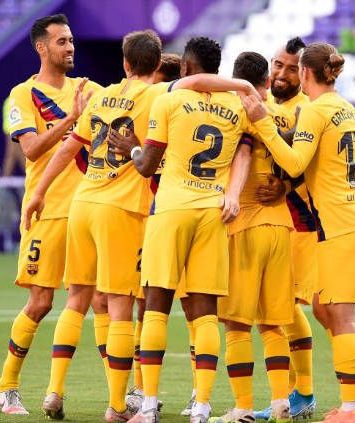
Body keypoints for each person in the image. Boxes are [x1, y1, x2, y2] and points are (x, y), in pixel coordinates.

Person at [24, 32, 262, 421]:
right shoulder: (186, 99)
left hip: (93, 203)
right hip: (168, 210)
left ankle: (69, 392)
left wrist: (38, 191)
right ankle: (161, 404)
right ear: (162, 68)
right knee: (182, 310)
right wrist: (242, 85)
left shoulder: (108, 96)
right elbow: (236, 142)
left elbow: (70, 147)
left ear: (124, 63)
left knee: (88, 302)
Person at [108, 36, 283, 423]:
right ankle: (202, 405)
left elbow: (147, 165)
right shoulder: (236, 106)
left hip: (171, 209)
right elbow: (244, 151)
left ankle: (149, 406)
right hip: (212, 212)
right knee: (204, 313)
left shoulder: (167, 98)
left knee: (155, 306)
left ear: (185, 67)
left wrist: (131, 150)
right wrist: (233, 193)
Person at [241, 42, 355, 423]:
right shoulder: (348, 108)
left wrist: (262, 122)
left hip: (341, 226)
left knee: (340, 313)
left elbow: (295, 162)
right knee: (323, 307)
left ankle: (351, 408)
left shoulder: (315, 112)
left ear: (304, 73)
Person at [0, 14, 105, 416]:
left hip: (89, 211)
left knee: (98, 301)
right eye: (62, 41)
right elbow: (33, 149)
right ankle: (7, 387)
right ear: (42, 47)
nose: (70, 47)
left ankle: (93, 394)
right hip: (47, 211)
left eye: (72, 40)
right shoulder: (23, 94)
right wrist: (74, 120)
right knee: (40, 303)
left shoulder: (87, 88)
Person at [208, 51, 296, 423]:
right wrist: (286, 186)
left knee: (238, 325)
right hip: (281, 226)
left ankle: (243, 407)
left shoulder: (236, 111)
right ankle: (280, 404)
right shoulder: (283, 115)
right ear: (266, 79)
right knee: (274, 323)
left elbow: (235, 156)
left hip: (244, 223)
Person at [253, 36, 319, 422]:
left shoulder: (305, 110)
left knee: (286, 310)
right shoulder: (264, 103)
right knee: (279, 312)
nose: (279, 73)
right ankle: (299, 393)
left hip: (300, 222)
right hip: (273, 223)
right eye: (276, 64)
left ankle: (305, 392)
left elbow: (308, 162)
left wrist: (285, 185)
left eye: (290, 68)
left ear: (303, 72)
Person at [1, 96, 26, 176]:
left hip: (12, 130)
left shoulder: (8, 100)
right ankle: (6, 177)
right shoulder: (18, 100)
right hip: (15, 130)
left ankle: (6, 177)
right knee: (15, 154)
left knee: (14, 154)